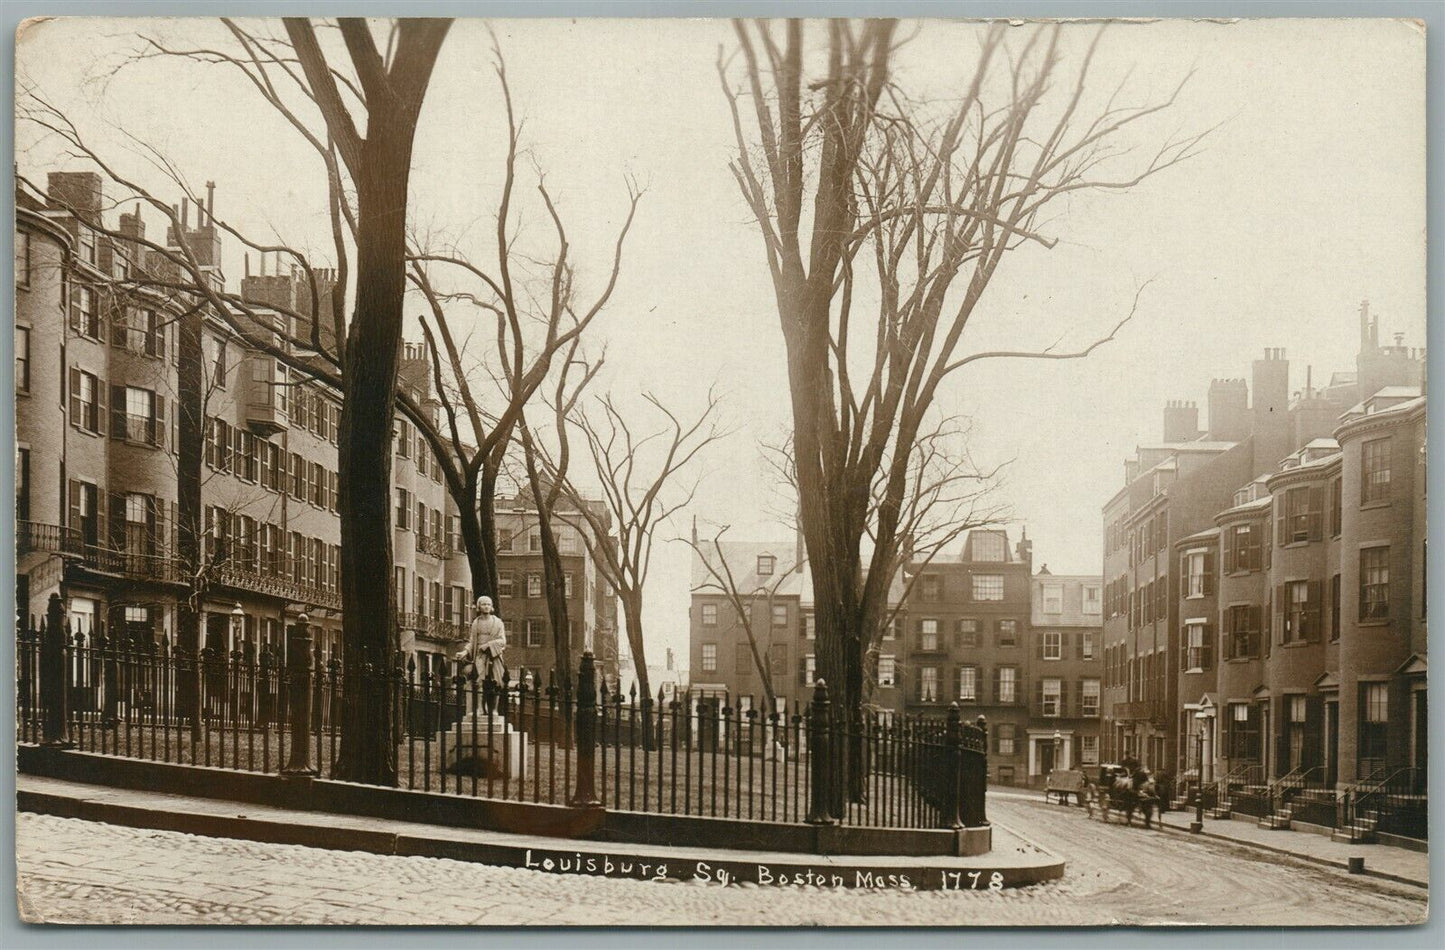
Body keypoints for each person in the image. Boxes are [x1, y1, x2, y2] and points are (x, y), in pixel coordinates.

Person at [456, 595, 507, 715]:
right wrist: (465, 652)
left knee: (496, 682)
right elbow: (472, 642)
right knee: (479, 682)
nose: (486, 607)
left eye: (489, 604)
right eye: (484, 604)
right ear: (479, 606)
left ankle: (493, 709)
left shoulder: (498, 623)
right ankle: (479, 708)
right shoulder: (476, 623)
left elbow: (503, 641)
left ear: (492, 607)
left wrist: (489, 645)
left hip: (494, 655)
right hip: (479, 655)